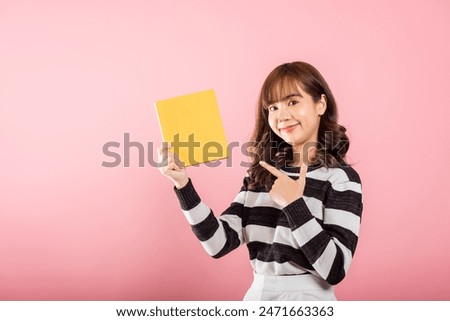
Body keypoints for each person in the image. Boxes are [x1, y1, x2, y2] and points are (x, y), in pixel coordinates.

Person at [157, 61, 363, 301]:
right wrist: (183, 185)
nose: (282, 116)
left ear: (320, 104)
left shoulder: (341, 179)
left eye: (293, 102)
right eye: (272, 107)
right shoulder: (260, 175)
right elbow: (217, 243)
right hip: (257, 297)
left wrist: (294, 204)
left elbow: (335, 269)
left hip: (310, 300)